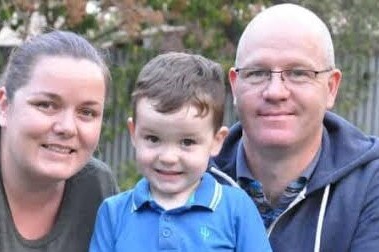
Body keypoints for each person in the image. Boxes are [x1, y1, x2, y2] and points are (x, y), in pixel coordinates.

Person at [208, 3, 379, 252]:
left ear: (331, 88)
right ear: (235, 87)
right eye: (258, 73)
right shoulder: (191, 175)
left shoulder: (370, 185)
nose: (275, 92)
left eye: (298, 73)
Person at [0, 30, 118, 251]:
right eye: (46, 105)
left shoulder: (96, 186)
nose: (67, 127)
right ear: (4, 106)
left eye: (87, 112)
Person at [89, 52, 272, 251]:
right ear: (134, 134)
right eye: (153, 139)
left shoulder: (237, 209)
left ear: (216, 141)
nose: (168, 157)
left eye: (187, 142)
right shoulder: (113, 214)